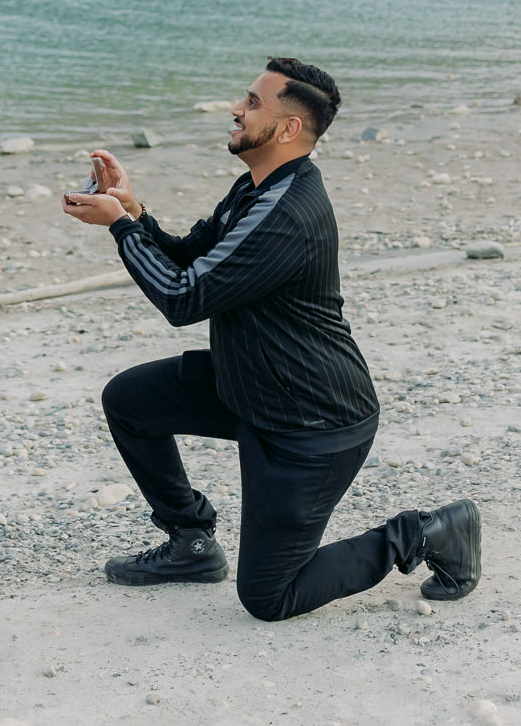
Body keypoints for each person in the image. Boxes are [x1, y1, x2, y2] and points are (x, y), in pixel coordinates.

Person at [62, 57, 481, 622]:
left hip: (311, 423)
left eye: (252, 103)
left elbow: (183, 299)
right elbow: (192, 257)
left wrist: (120, 228)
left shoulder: (287, 210)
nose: (236, 109)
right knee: (130, 401)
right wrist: (135, 210)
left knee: (269, 596)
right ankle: (190, 541)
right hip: (249, 384)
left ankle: (428, 534)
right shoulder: (256, 187)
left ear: (288, 129)